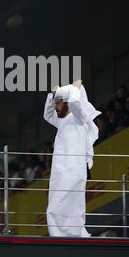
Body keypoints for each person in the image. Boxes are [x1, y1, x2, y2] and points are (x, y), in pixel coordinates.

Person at [44, 80, 101, 237]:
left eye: (58, 103)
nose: (55, 107)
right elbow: (47, 114)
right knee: (57, 207)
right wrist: (53, 95)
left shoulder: (80, 117)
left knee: (63, 208)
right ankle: (77, 236)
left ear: (67, 101)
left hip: (73, 170)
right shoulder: (61, 120)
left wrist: (73, 89)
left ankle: (72, 237)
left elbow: (76, 102)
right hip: (59, 171)